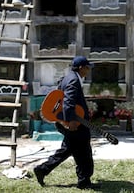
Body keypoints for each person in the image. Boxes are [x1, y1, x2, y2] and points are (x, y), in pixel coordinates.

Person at [34, 56, 98, 189]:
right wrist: (70, 121)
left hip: (72, 121)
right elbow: (68, 102)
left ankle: (43, 170)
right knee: (84, 151)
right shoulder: (74, 80)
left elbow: (59, 97)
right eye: (87, 67)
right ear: (81, 68)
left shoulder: (68, 77)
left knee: (70, 149)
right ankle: (84, 181)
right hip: (75, 123)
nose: (88, 70)